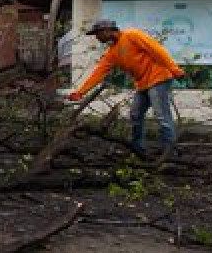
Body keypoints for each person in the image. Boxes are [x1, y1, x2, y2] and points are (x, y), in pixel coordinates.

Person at [67, 19, 186, 157]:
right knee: (135, 114)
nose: (96, 37)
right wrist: (80, 92)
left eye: (97, 34)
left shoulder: (132, 35)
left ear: (107, 30)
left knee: (162, 116)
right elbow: (98, 73)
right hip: (142, 84)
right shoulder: (112, 52)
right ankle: (138, 149)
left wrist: (175, 70)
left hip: (158, 78)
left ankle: (169, 151)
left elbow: (157, 50)